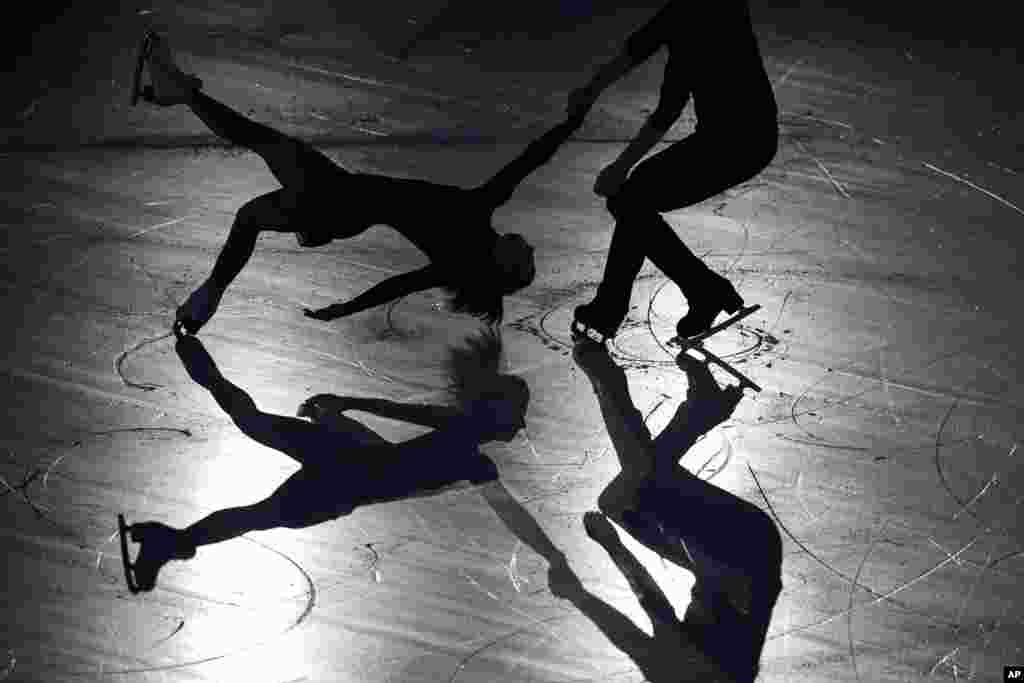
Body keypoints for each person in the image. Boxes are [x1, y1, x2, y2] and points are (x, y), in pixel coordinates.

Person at [136, 32, 584, 330]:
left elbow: (532, 159)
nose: (530, 248)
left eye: (525, 260)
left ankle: (180, 92)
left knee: (263, 144)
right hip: (342, 205)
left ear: (501, 265)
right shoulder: (465, 246)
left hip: (337, 200)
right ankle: (204, 302)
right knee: (251, 209)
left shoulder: (478, 213)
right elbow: (397, 287)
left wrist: (572, 124)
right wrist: (344, 309)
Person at [121, 325, 529, 592]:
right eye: (518, 417)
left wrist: (342, 409)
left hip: (347, 453)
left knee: (251, 424)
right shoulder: (475, 460)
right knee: (255, 512)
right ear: (497, 416)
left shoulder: (462, 433)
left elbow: (395, 415)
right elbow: (517, 519)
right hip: (345, 482)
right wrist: (552, 558)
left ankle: (192, 351)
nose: (522, 427)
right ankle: (170, 541)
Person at [550, 339, 782, 682]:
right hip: (741, 553)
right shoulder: (678, 676)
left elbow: (644, 612)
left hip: (739, 558)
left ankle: (699, 410)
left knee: (624, 496)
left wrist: (608, 553)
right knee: (639, 487)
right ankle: (610, 381)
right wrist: (583, 590)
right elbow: (642, 612)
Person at [567, 0, 778, 343]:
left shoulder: (694, 15)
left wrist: (619, 165)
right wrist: (590, 94)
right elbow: (643, 61)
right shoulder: (693, 17)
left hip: (734, 143)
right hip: (745, 141)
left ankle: (686, 292)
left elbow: (649, 80)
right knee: (634, 198)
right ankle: (644, 300)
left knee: (631, 197)